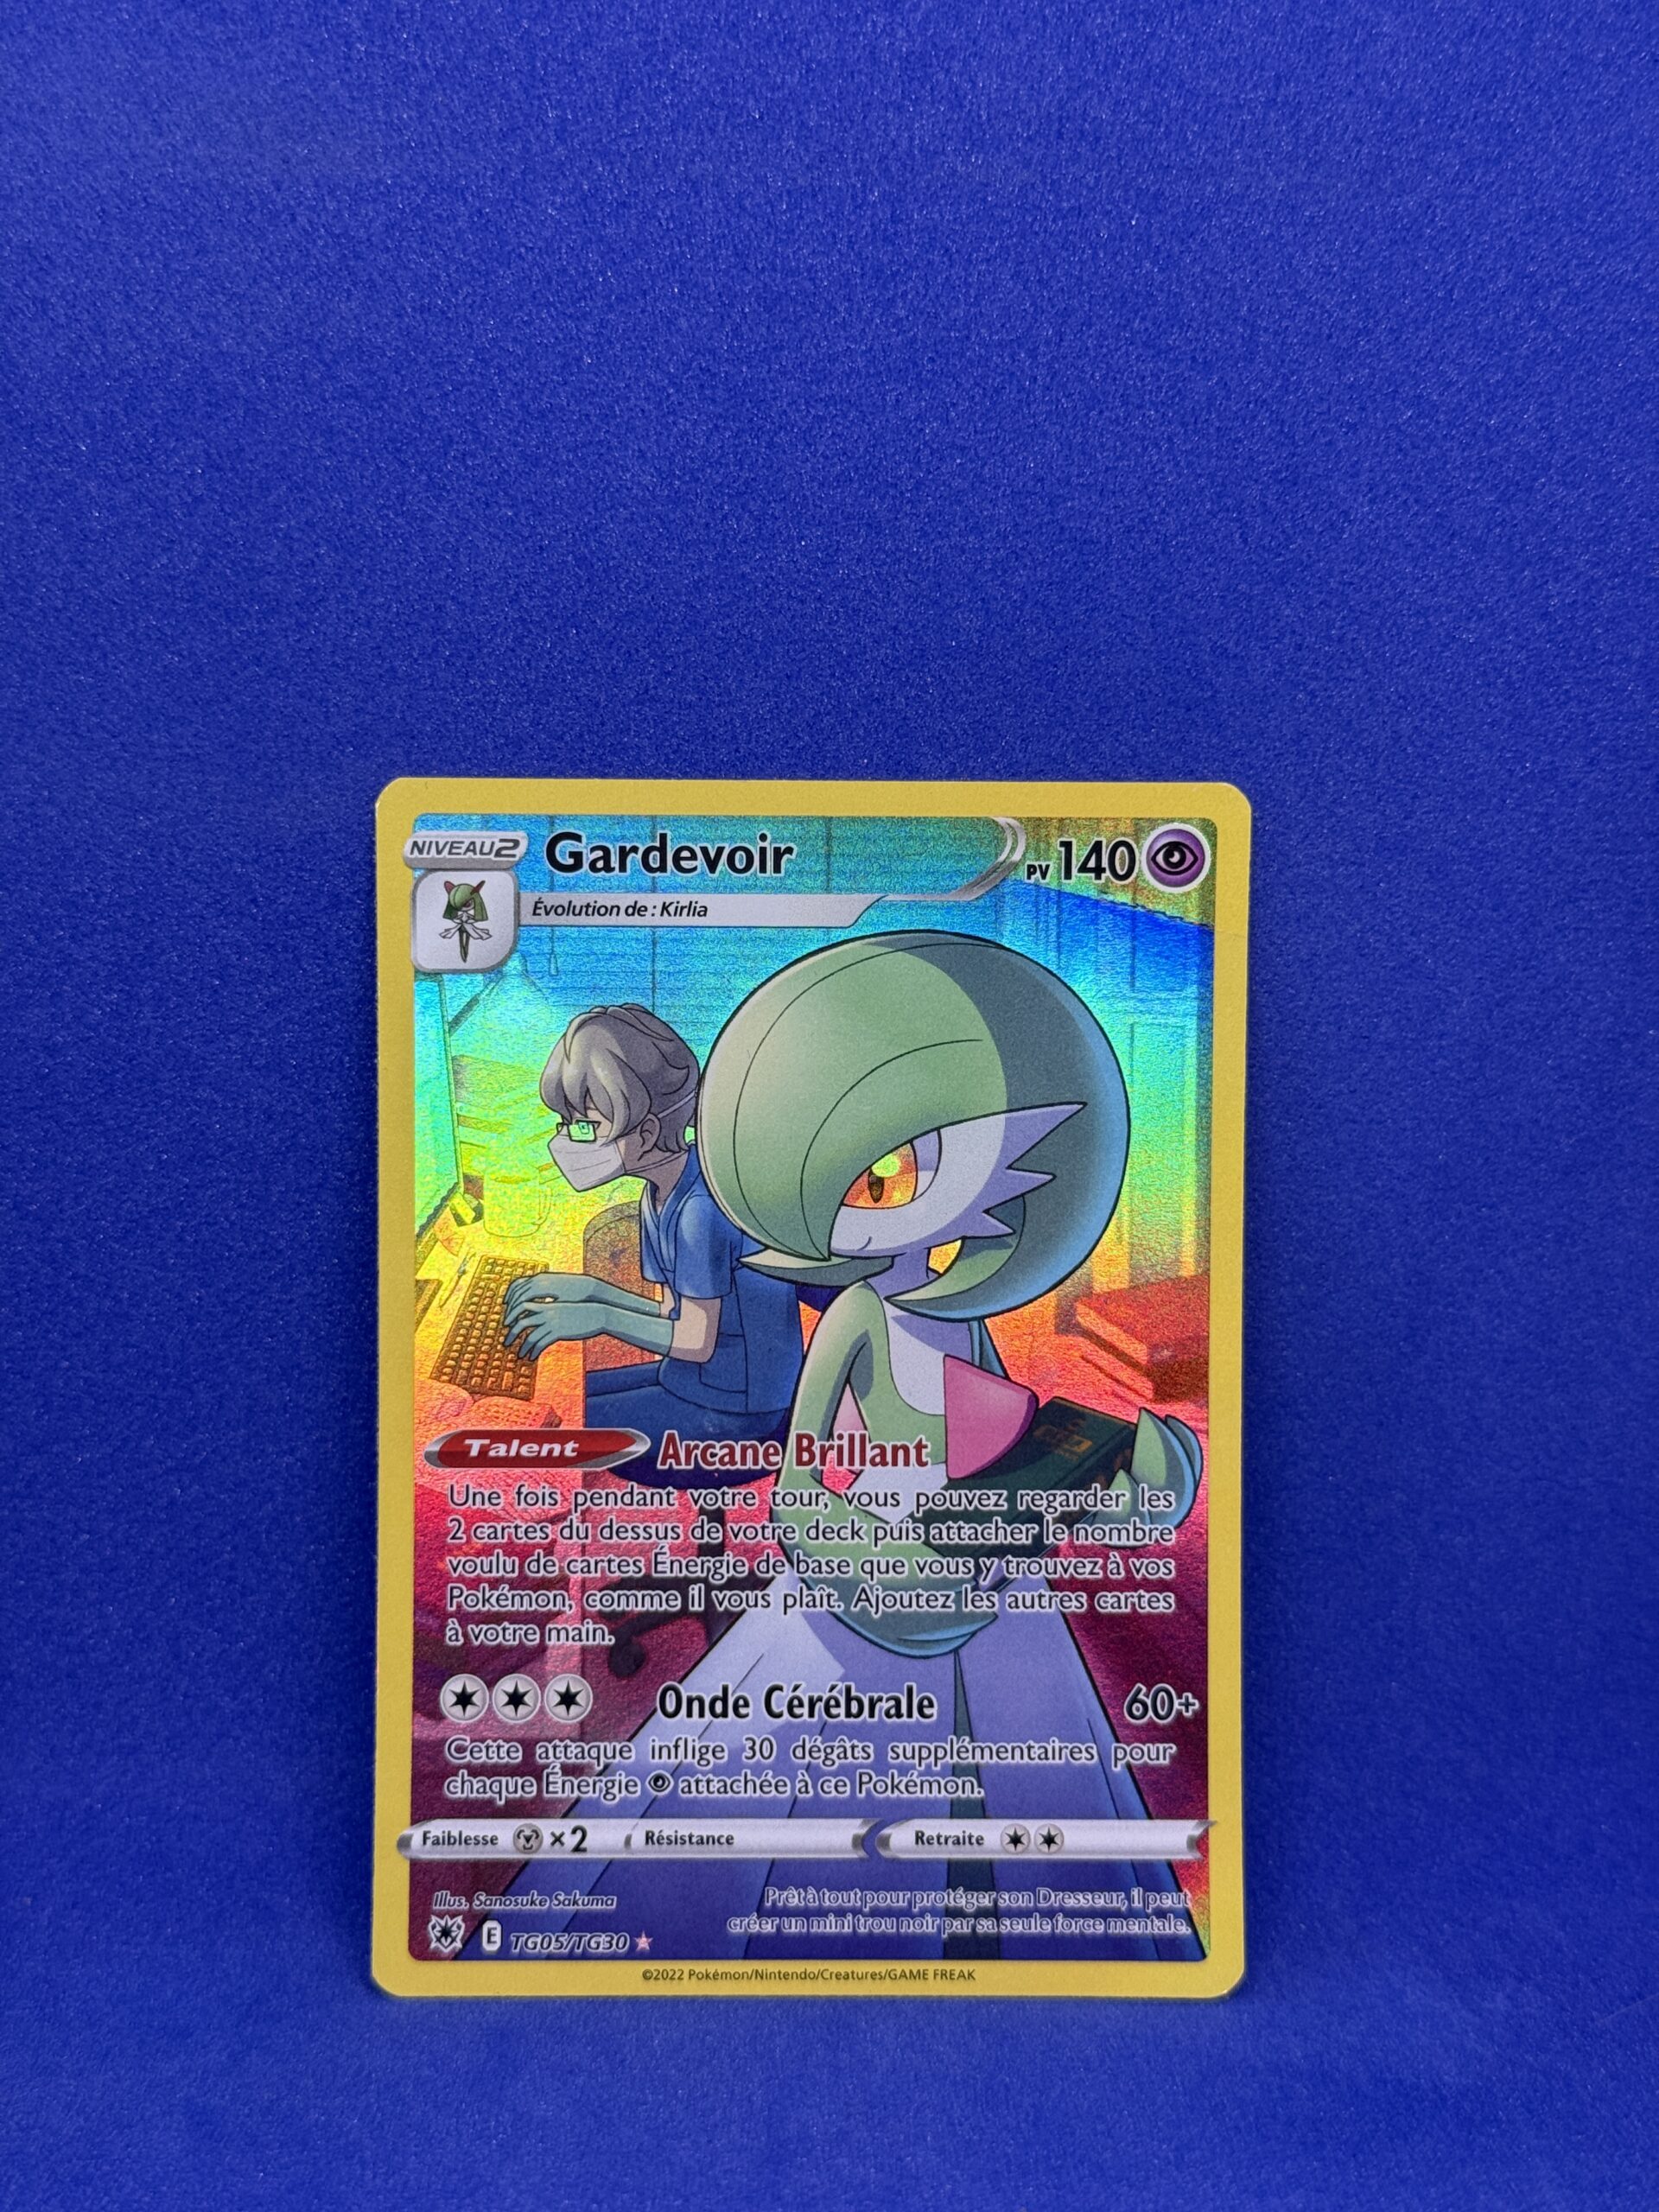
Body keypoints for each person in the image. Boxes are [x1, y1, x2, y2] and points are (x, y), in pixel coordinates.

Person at [488, 935, 1206, 1961]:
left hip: (973, 1558)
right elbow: (798, 1489)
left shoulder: (958, 1307)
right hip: (873, 1568)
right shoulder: (859, 1313)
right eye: (868, 1181)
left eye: (896, 1171)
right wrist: (874, 1563)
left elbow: (1008, 1423)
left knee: (1019, 1759)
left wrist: (1112, 1478)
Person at [501, 1003, 804, 1672]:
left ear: (644, 1129)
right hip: (699, 1381)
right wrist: (586, 1291)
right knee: (585, 1402)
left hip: (746, 1411)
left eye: (585, 1124)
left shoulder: (701, 1210)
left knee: (580, 1432)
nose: (569, 1141)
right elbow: (673, 1314)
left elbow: (693, 1338)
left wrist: (598, 1317)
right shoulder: (659, 1194)